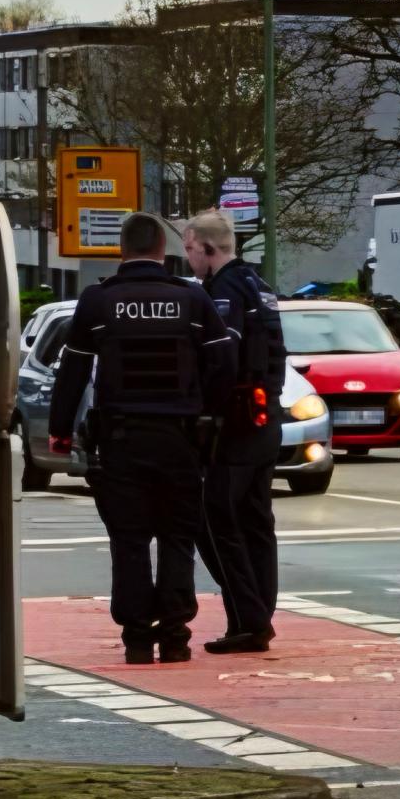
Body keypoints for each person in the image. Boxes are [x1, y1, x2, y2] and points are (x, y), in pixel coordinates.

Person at [45, 212, 234, 665]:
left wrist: (59, 431)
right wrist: (212, 421)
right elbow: (222, 368)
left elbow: (71, 373)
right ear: (162, 251)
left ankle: (135, 637)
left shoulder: (97, 302)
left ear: (121, 251)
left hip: (121, 441)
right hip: (180, 441)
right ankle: (174, 636)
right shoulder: (191, 301)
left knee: (129, 540)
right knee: (176, 537)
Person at [183, 210, 287, 653]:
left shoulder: (223, 292)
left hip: (237, 421)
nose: (188, 259)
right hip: (266, 417)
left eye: (189, 249)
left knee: (217, 520)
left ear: (208, 249)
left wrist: (202, 410)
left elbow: (223, 358)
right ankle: (260, 611)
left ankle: (249, 620)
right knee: (257, 521)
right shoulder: (259, 287)